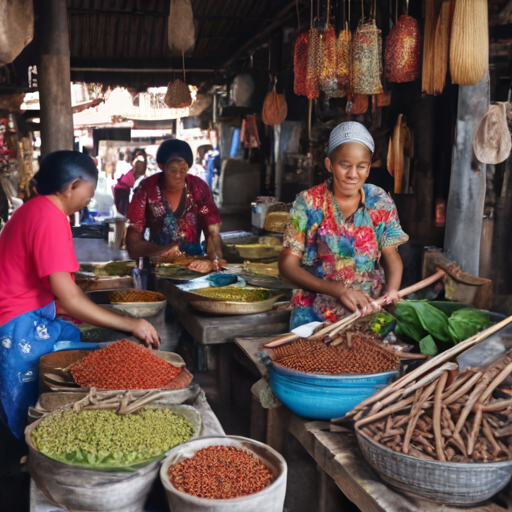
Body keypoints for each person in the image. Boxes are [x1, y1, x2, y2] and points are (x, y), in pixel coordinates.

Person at [0, 150, 160, 439]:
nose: (90, 197)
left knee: (76, 344)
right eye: (89, 189)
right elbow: (70, 298)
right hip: (17, 326)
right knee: (32, 421)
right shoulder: (50, 217)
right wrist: (132, 323)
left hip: (24, 317)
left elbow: (55, 293)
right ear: (72, 185)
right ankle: (28, 461)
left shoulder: (33, 209)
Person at [278, 122, 409, 330]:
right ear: (330, 165)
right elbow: (287, 266)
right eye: (345, 165)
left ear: (368, 168)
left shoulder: (379, 200)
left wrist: (392, 291)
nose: (352, 174)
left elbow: (391, 255)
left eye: (361, 166)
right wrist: (339, 290)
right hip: (314, 318)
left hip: (367, 314)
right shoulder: (309, 202)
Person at [126, 139, 223, 266]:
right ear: (162, 167)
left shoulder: (198, 188)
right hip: (157, 267)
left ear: (189, 167)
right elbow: (133, 245)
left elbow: (212, 231)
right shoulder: (146, 189)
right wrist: (166, 251)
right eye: (173, 170)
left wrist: (215, 259)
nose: (178, 175)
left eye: (182, 169)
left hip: (194, 269)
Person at [114, 151, 147, 217]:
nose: (141, 164)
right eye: (139, 161)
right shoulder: (125, 172)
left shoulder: (145, 179)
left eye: (143, 162)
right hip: (122, 191)